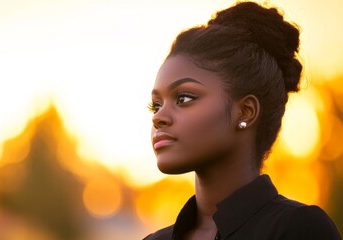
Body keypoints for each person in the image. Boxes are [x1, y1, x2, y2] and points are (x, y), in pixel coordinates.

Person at [143, 1, 342, 240]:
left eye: (183, 98)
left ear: (245, 112)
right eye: (156, 105)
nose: (158, 117)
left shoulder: (298, 228)